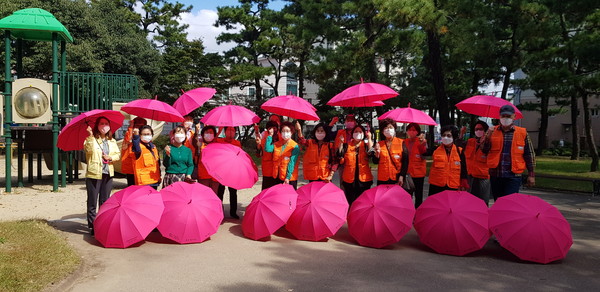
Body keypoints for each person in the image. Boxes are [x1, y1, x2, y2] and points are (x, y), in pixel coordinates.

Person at [483, 104, 535, 200]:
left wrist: (531, 174)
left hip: (513, 176)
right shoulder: (491, 131)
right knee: (498, 202)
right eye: (503, 116)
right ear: (499, 117)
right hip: (496, 174)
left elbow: (529, 154)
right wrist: (487, 137)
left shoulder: (522, 133)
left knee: (510, 202)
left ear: (514, 117)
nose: (505, 118)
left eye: (508, 116)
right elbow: (484, 151)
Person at [84, 117, 121, 236]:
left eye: (106, 123)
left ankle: (102, 223)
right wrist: (90, 135)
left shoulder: (112, 141)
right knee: (92, 200)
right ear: (97, 126)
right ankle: (92, 224)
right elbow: (88, 151)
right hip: (94, 173)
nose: (104, 126)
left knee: (105, 201)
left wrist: (110, 158)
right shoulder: (91, 139)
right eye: (101, 124)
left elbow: (117, 155)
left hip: (107, 173)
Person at [337, 125, 374, 205]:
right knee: (351, 201)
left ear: (364, 134)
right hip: (349, 179)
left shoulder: (366, 145)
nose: (358, 133)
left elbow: (372, 154)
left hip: (364, 179)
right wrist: (340, 143)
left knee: (363, 201)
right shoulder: (347, 145)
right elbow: (340, 156)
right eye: (356, 131)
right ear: (352, 134)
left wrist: (370, 138)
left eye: (360, 132)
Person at [428, 125, 469, 196]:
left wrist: (464, 181)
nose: (446, 137)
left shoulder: (459, 151)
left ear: (453, 137)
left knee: (451, 206)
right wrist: (422, 143)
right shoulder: (436, 149)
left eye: (449, 135)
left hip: (453, 185)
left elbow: (463, 167)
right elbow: (423, 152)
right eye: (444, 135)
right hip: (436, 185)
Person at [264, 121, 301, 190]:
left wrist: (288, 177)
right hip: (277, 176)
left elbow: (292, 162)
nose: (285, 133)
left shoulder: (294, 146)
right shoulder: (277, 144)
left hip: (289, 178)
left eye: (287, 131)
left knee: (289, 198)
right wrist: (270, 136)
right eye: (283, 131)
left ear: (291, 132)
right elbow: (268, 149)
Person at [217, 126, 242, 219]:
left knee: (233, 192)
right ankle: (219, 212)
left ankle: (233, 212)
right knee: (220, 192)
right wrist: (218, 131)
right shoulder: (220, 141)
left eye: (233, 130)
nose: (230, 132)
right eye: (228, 130)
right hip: (221, 170)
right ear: (225, 131)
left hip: (232, 170)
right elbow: (213, 142)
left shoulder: (237, 143)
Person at [373, 118, 408, 186]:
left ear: (394, 129)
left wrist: (402, 176)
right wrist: (377, 153)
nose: (388, 130)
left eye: (390, 127)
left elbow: (405, 161)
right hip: (382, 178)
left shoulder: (401, 142)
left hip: (396, 177)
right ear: (382, 131)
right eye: (386, 128)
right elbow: (375, 161)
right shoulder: (379, 144)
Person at [464, 121, 491, 205]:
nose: (478, 131)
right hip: (470, 175)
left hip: (483, 177)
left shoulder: (490, 142)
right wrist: (461, 134)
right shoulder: (470, 141)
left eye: (481, 129)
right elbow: (459, 146)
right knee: (470, 201)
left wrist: (485, 143)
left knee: (483, 201)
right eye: (476, 129)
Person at [404, 123, 428, 207]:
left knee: (418, 195)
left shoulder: (422, 141)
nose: (411, 132)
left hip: (418, 173)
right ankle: (408, 211)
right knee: (407, 195)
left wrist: (422, 144)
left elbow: (424, 155)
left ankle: (418, 212)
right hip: (407, 172)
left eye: (414, 130)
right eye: (409, 130)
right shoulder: (404, 142)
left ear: (417, 131)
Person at [132, 125, 161, 189]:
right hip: (143, 182)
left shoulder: (153, 147)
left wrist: (159, 176)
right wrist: (136, 136)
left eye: (148, 134)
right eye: (144, 134)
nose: (146, 136)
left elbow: (157, 164)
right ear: (140, 135)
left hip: (154, 180)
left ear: (152, 134)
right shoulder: (139, 147)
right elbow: (136, 147)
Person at [194, 125, 221, 195]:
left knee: (214, 195)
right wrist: (197, 131)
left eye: (211, 132)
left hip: (215, 176)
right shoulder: (200, 145)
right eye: (207, 132)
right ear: (203, 135)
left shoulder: (217, 145)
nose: (209, 134)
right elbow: (195, 141)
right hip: (203, 176)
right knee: (203, 195)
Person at [121, 117, 147, 186]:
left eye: (141, 126)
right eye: (137, 126)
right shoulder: (129, 135)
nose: (138, 128)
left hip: (142, 167)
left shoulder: (145, 137)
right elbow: (127, 140)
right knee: (131, 187)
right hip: (131, 167)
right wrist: (131, 127)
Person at [255, 121, 280, 190]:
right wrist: (258, 145)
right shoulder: (263, 140)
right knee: (266, 190)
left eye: (274, 128)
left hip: (278, 170)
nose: (272, 130)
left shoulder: (280, 139)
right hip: (267, 170)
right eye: (270, 128)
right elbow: (258, 154)